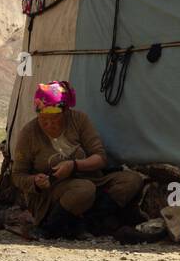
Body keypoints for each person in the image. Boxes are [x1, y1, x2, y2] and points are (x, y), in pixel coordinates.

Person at [10, 80, 147, 241]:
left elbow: (99, 157)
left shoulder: (79, 120)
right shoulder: (29, 134)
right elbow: (18, 175)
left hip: (91, 179)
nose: (49, 124)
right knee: (83, 189)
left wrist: (74, 165)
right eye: (43, 118)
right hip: (51, 192)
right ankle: (49, 228)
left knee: (131, 180)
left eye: (55, 118)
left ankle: (90, 222)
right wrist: (35, 181)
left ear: (66, 111)